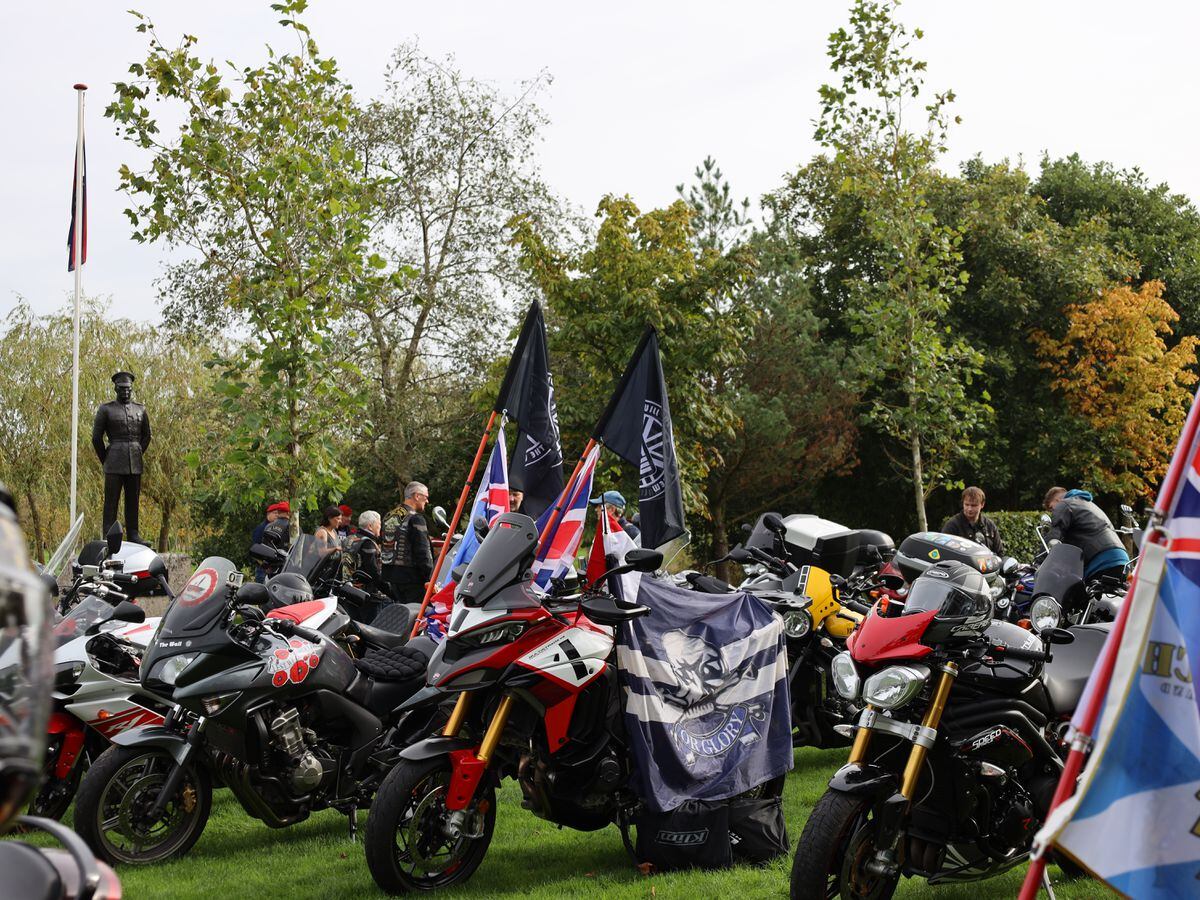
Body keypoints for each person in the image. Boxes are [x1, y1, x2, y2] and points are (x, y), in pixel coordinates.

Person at [91, 371, 152, 543]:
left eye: (128, 389)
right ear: (116, 389)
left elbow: (147, 436)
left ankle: (134, 534)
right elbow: (96, 438)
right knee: (111, 502)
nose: (126, 392)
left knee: (133, 501)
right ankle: (108, 536)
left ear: (132, 389)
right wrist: (106, 458)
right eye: (122, 389)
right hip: (114, 460)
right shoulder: (106, 409)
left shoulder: (141, 409)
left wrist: (138, 451)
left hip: (135, 461)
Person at [1044, 486, 1130, 580]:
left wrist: (1040, 561)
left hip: (1100, 561)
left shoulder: (1064, 504)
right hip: (1122, 560)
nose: (1053, 512)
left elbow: (1054, 535)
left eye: (1052, 508)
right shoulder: (1090, 505)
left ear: (1057, 500)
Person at [381, 481, 434, 602]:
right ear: (416, 496)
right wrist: (430, 578)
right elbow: (422, 552)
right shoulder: (416, 518)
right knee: (418, 616)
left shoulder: (388, 516)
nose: (427, 501)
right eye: (425, 497)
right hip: (413, 579)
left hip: (392, 577)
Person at [940, 486, 1005, 555]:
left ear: (982, 504)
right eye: (967, 504)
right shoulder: (952, 525)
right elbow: (944, 553)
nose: (969, 509)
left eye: (974, 505)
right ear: (963, 503)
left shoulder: (990, 525)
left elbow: (1000, 553)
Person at [344, 510, 385, 594]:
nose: (380, 527)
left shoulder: (349, 538)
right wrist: (390, 591)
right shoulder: (368, 543)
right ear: (370, 526)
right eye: (379, 524)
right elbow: (373, 572)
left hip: (346, 588)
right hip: (364, 593)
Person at [251, 501, 289, 583]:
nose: (277, 515)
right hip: (264, 569)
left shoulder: (276, 526)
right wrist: (263, 565)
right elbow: (257, 548)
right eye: (275, 513)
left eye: (277, 513)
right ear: (268, 514)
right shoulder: (262, 528)